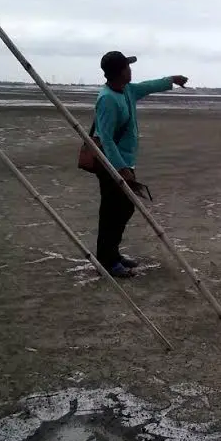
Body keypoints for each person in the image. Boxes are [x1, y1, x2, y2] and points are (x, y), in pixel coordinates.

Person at [93, 50, 188, 277]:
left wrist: (171, 80)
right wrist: (121, 168)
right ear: (119, 72)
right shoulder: (107, 98)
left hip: (125, 162)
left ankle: (112, 254)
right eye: (127, 66)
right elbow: (105, 138)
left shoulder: (126, 90)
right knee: (113, 211)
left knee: (123, 208)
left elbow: (147, 86)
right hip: (110, 165)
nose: (131, 69)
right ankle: (107, 260)